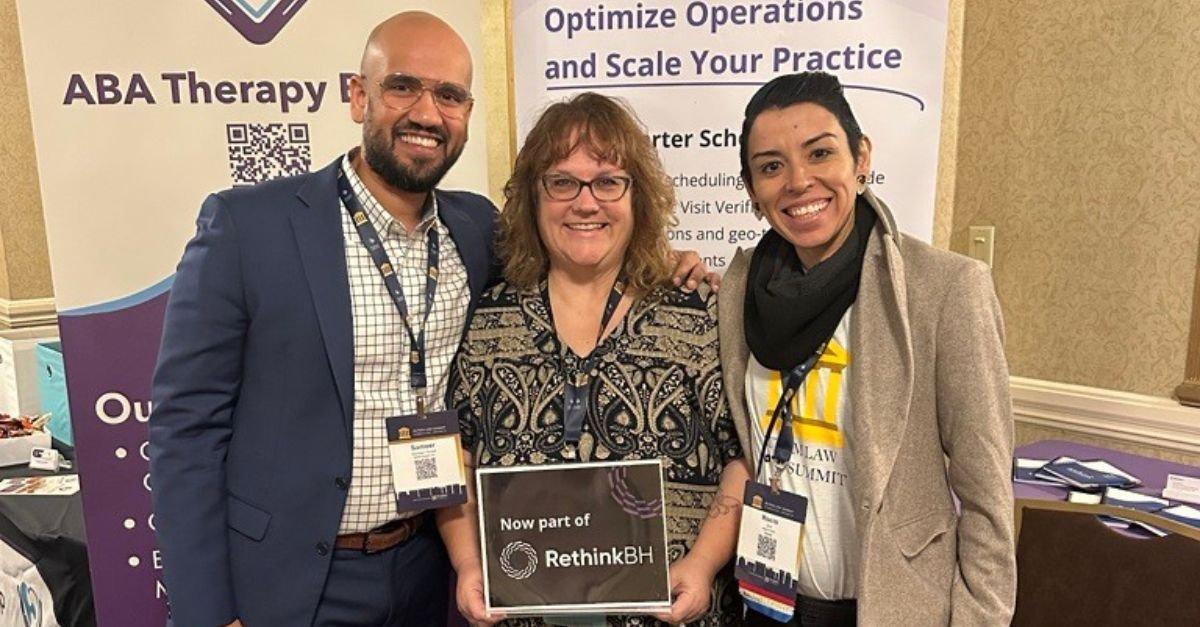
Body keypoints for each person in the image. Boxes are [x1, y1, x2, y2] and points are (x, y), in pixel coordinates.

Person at [149, 12, 714, 626]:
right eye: (402, 86)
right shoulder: (248, 228)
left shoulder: (475, 230)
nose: (426, 113)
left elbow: (582, 239)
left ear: (467, 114)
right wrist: (208, 614)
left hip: (425, 569)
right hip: (286, 578)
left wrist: (665, 262)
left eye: (449, 95)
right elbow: (186, 432)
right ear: (358, 95)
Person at [437, 92, 750, 627]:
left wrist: (701, 566)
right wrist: (468, 565)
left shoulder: (701, 312)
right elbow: (455, 456)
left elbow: (742, 458)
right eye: (562, 182)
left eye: (608, 182)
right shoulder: (490, 315)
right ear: (532, 197)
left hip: (672, 616)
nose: (586, 203)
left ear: (638, 198)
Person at [719, 72, 1016, 626]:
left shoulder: (946, 289)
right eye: (771, 166)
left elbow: (987, 498)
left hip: (889, 608)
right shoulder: (739, 293)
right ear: (753, 191)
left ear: (861, 159)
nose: (798, 181)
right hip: (767, 604)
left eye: (820, 153)